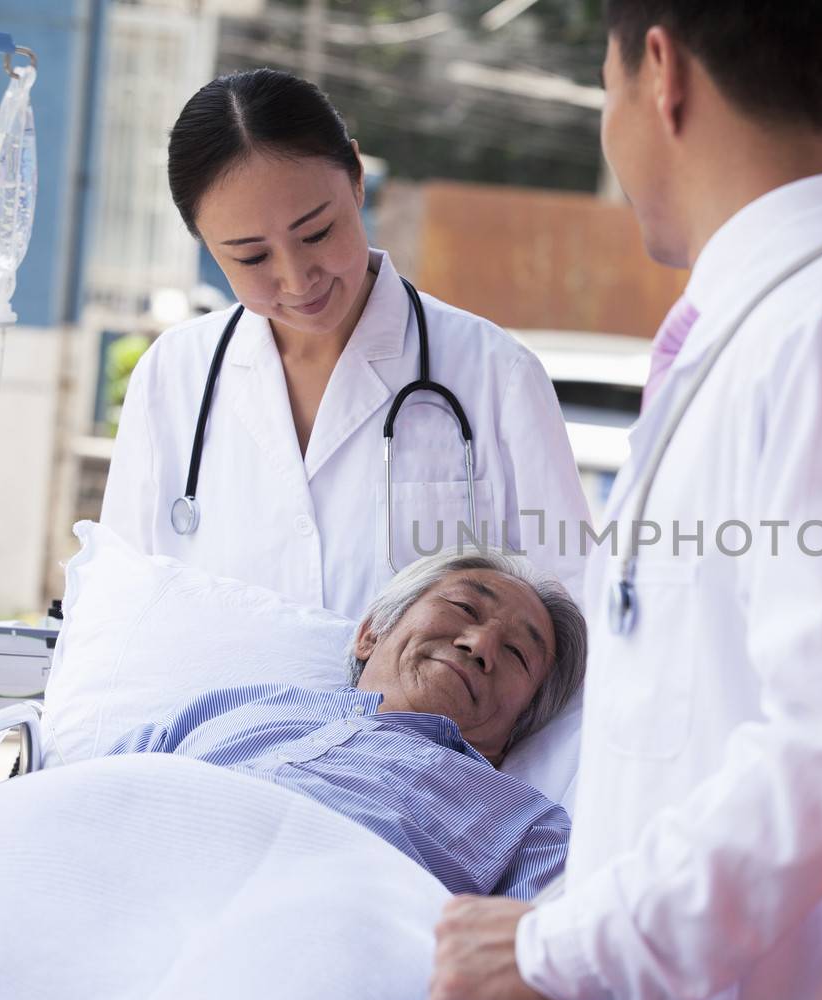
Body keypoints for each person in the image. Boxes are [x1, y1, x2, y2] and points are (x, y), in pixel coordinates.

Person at [426, 3, 822, 1000]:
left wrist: (561, 946)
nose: (611, 129)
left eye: (604, 90)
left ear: (662, 74)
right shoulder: (773, 331)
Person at [101, 69, 589, 619]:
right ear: (205, 244)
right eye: (252, 257)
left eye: (316, 234)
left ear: (356, 179)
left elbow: (571, 610)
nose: (296, 278)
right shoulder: (172, 374)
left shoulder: (496, 375)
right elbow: (116, 611)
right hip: (210, 710)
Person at [106, 550, 587, 900]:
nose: (481, 644)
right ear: (370, 632)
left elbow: (523, 970)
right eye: (463, 608)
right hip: (118, 874)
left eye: (517, 653)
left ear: (518, 726)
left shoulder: (529, 827)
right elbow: (93, 791)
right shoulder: (229, 707)